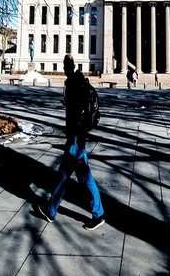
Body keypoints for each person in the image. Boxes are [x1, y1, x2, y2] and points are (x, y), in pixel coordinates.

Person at [38, 55, 105, 230]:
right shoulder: (80, 81)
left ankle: (52, 211)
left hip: (75, 136)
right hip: (78, 135)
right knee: (82, 175)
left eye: (66, 65)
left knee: (66, 174)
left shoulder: (73, 84)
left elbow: (75, 111)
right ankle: (97, 213)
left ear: (69, 66)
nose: (65, 68)